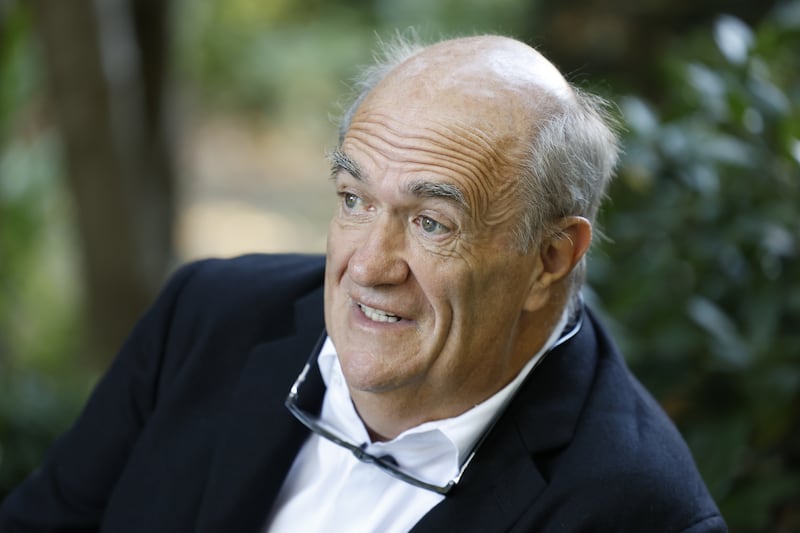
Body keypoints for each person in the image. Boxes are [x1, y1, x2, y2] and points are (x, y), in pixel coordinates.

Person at [0, 34, 726, 532]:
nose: (370, 266)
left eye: (432, 222)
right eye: (354, 199)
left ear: (551, 258)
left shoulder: (636, 510)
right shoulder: (207, 316)